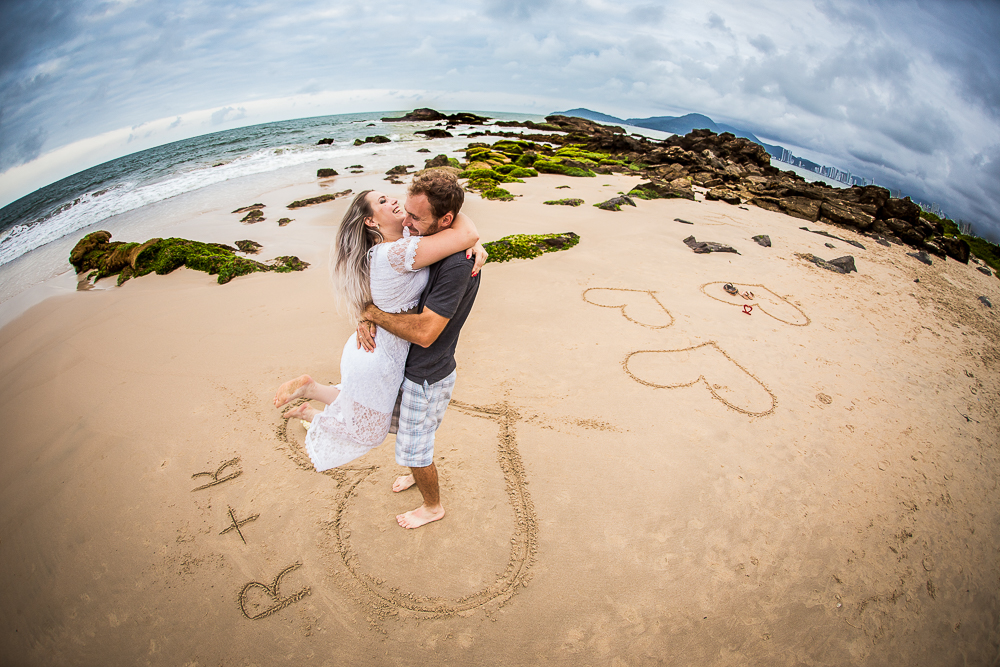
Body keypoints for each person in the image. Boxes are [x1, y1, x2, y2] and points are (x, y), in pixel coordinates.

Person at [273, 178, 483, 496]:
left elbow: (459, 235)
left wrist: (475, 245)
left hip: (375, 351)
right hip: (380, 355)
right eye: (382, 202)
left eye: (390, 196)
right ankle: (312, 398)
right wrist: (469, 236)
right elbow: (464, 232)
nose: (394, 203)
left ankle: (312, 390)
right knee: (371, 429)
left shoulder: (404, 240)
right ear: (371, 221)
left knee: (376, 412)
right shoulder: (396, 253)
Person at [356, 169, 482, 529]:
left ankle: (432, 507)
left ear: (445, 219)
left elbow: (426, 332)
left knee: (414, 446)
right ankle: (415, 472)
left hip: (426, 370)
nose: (407, 222)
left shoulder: (458, 263)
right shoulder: (439, 242)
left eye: (415, 217)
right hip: (417, 366)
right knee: (414, 432)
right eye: (406, 212)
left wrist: (373, 314)